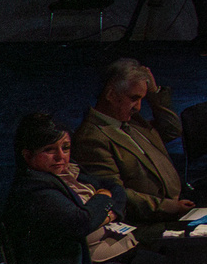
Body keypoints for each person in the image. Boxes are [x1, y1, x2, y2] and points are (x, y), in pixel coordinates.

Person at [3, 112, 166, 264]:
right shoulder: (35, 189)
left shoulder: (70, 173)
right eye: (49, 150)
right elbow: (82, 222)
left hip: (107, 254)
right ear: (27, 155)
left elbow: (115, 189)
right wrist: (101, 199)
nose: (61, 157)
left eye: (65, 148)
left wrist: (105, 213)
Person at [73, 58, 194, 232]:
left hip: (177, 207)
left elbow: (172, 130)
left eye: (142, 99)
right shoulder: (91, 138)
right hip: (149, 224)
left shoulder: (132, 121)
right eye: (134, 98)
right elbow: (117, 193)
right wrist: (170, 207)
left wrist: (154, 93)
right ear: (111, 95)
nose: (138, 107)